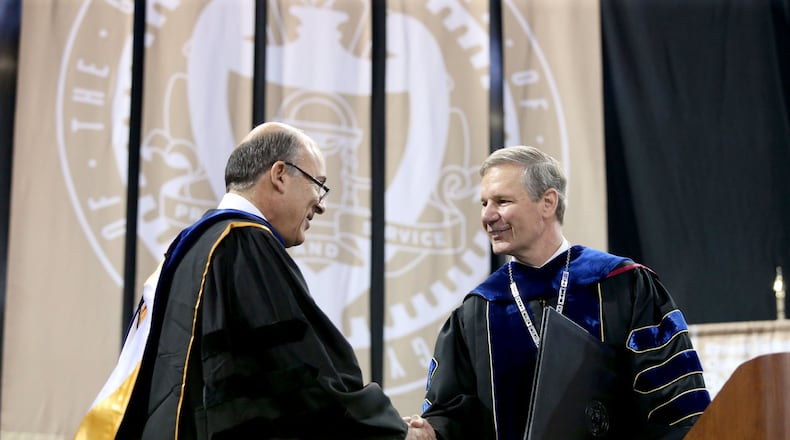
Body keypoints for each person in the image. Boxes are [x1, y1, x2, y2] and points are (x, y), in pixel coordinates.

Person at [74, 122, 416, 439]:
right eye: (318, 185)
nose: (321, 205)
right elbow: (298, 372)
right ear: (280, 174)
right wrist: (386, 427)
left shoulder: (192, 250)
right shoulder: (244, 244)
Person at [417, 146, 711, 440]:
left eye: (502, 201)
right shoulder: (479, 310)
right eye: (483, 203)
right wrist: (429, 433)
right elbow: (451, 414)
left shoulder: (623, 286)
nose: (488, 216)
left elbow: (675, 403)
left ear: (547, 202)